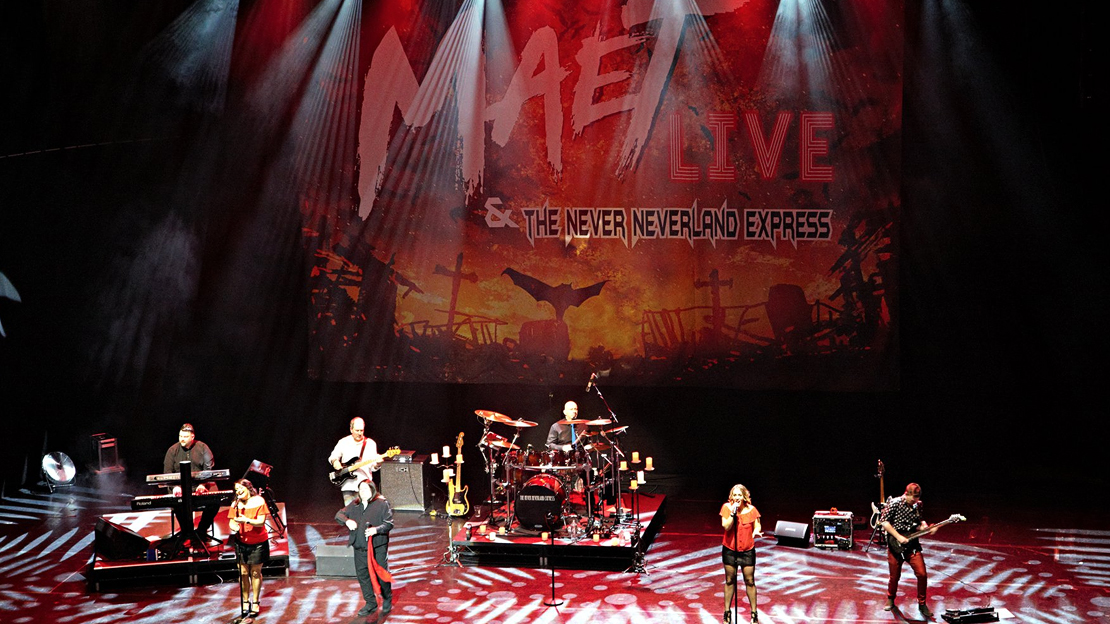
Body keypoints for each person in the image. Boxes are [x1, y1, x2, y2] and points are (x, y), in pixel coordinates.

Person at [336, 479, 394, 618]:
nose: (363, 492)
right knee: (363, 576)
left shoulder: (381, 504)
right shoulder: (355, 504)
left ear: (372, 490)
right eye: (361, 489)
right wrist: (347, 521)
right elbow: (339, 515)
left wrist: (376, 530)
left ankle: (387, 597)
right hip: (360, 547)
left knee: (381, 575)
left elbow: (389, 524)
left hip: (377, 547)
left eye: (366, 489)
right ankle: (370, 603)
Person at [880, 483, 935, 618]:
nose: (914, 501)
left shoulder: (918, 505)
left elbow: (919, 522)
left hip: (912, 544)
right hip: (896, 544)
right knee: (894, 576)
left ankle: (922, 603)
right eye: (913, 498)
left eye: (917, 499)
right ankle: (891, 598)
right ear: (906, 494)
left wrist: (925, 527)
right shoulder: (895, 503)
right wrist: (898, 536)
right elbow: (884, 522)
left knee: (922, 574)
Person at [162, 423, 219, 541]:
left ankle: (201, 530)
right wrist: (175, 487)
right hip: (179, 487)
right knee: (177, 504)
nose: (182, 439)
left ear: (192, 437)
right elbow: (167, 473)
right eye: (180, 436)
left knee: (215, 500)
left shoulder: (203, 447)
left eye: (185, 436)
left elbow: (208, 469)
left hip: (200, 485)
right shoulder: (172, 450)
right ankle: (187, 532)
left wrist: (202, 484)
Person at [721, 484, 762, 624]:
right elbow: (726, 526)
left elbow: (757, 525)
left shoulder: (752, 510)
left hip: (747, 551)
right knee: (729, 580)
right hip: (730, 550)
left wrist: (756, 531)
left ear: (744, 496)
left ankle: (754, 614)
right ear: (731, 497)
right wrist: (733, 512)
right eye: (735, 495)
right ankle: (727, 613)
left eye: (739, 495)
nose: (737, 497)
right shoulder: (727, 508)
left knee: (749, 581)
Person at [229, 478, 270, 618]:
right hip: (241, 542)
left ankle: (256, 602)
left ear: (248, 488)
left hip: (258, 542)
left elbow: (260, 522)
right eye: (236, 490)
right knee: (243, 573)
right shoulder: (235, 504)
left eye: (240, 489)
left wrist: (246, 520)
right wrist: (234, 526)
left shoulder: (259, 501)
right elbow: (231, 521)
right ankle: (245, 601)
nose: (238, 492)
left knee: (255, 572)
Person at [329, 417, 382, 505]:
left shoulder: (370, 444)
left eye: (361, 430)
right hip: (348, 485)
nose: (359, 433)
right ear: (351, 429)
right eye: (357, 430)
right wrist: (336, 462)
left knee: (364, 510)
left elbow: (373, 467)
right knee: (350, 510)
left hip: (365, 485)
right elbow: (333, 456)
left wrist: (378, 464)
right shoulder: (343, 442)